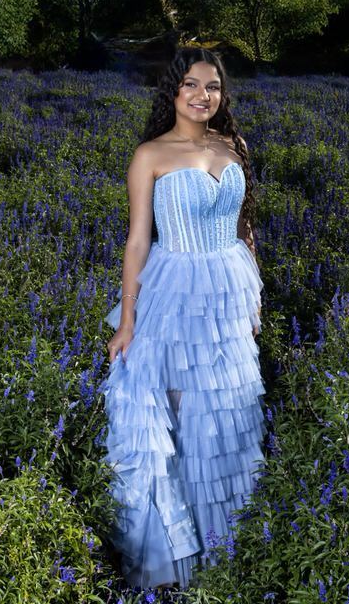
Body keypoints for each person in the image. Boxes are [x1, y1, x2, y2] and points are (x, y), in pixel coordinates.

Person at [98, 47, 267, 591]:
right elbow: (137, 241)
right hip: (174, 292)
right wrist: (127, 322)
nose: (202, 96)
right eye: (190, 84)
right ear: (173, 90)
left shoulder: (234, 146)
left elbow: (244, 228)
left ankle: (227, 550)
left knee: (224, 416)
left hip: (228, 292)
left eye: (212, 86)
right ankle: (176, 556)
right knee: (173, 413)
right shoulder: (150, 155)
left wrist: (254, 298)